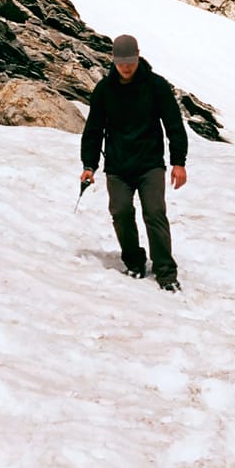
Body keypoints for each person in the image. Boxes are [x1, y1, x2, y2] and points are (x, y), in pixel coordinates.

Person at [80, 34, 188, 291]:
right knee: (120, 212)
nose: (126, 67)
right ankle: (134, 261)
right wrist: (89, 166)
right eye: (121, 62)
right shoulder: (104, 90)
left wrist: (178, 162)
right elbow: (93, 131)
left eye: (130, 61)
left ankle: (165, 271)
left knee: (155, 213)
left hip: (150, 164)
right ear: (113, 59)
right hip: (118, 166)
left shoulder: (156, 86)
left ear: (138, 56)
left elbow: (174, 125)